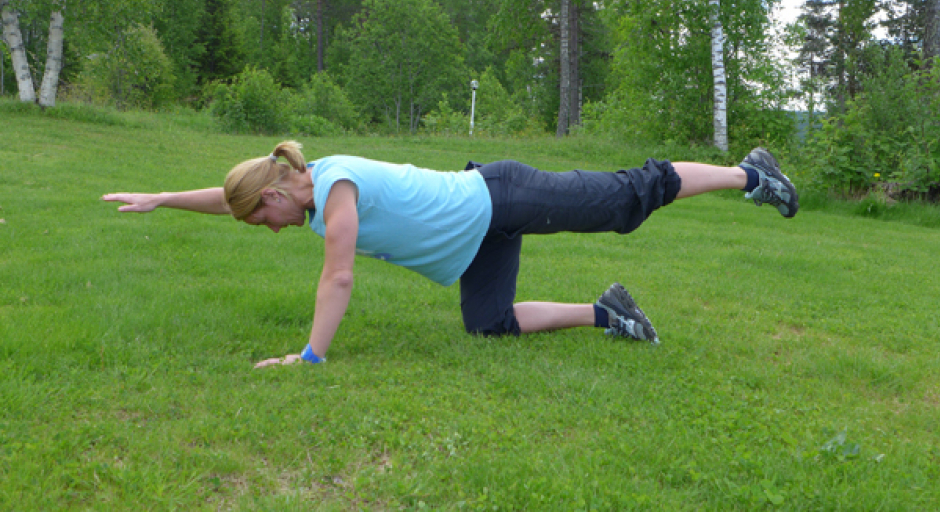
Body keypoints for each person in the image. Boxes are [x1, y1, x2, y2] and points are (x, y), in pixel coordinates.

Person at [102, 143, 798, 368]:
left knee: (624, 199)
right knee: (487, 323)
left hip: (502, 197)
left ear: (284, 186)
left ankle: (752, 175)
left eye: (266, 216)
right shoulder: (307, 196)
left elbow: (338, 276)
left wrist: (310, 358)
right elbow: (231, 198)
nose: (269, 227)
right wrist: (162, 197)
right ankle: (606, 312)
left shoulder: (336, 190)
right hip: (480, 235)